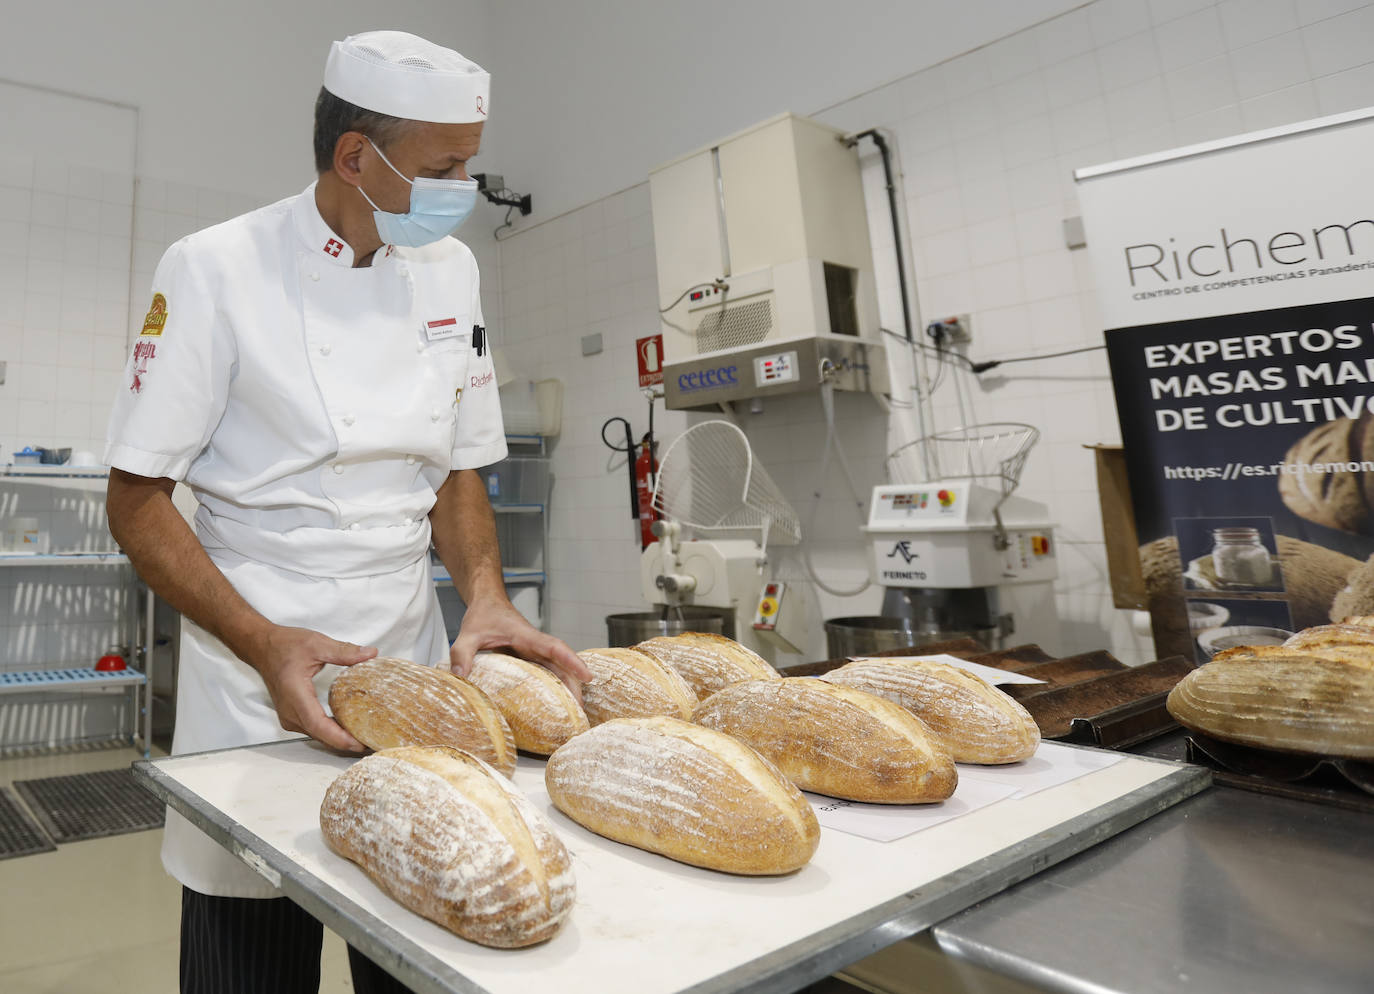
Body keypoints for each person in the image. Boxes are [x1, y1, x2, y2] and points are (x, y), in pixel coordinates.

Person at [103, 30, 590, 994]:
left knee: (414, 951)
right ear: (355, 158)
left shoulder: (452, 271)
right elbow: (137, 500)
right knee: (251, 960)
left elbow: (455, 468)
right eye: (445, 168)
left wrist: (485, 597)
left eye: (471, 165)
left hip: (406, 663)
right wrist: (260, 640)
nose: (463, 189)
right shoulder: (214, 268)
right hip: (257, 672)